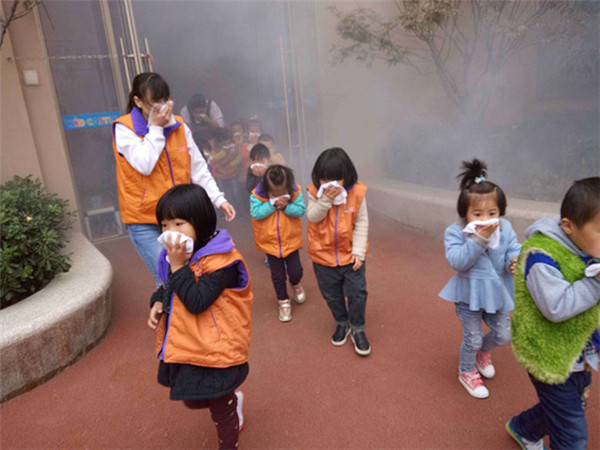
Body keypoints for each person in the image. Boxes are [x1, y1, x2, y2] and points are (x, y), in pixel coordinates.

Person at [148, 184, 252, 450]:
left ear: (201, 221)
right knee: (192, 399)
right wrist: (158, 301)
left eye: (178, 224)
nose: (170, 232)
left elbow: (196, 301)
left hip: (217, 347)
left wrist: (178, 266)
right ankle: (232, 399)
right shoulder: (177, 256)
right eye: (164, 225)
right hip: (190, 343)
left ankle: (229, 413)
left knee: (220, 409)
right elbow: (168, 286)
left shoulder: (222, 261)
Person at [112, 72, 235, 287]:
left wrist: (218, 199)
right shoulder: (124, 128)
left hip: (179, 216)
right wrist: (156, 128)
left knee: (188, 275)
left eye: (166, 101)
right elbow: (145, 163)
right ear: (138, 101)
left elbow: (198, 168)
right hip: (144, 220)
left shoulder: (179, 125)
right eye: (155, 103)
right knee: (168, 280)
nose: (163, 108)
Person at [506, 177, 600, 450]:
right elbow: (556, 307)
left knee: (569, 407)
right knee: (572, 434)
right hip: (547, 352)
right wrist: (596, 283)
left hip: (579, 353)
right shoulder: (542, 257)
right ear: (568, 226)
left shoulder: (588, 247)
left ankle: (523, 428)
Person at [439, 159, 521, 399]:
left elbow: (513, 248)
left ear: (500, 212)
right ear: (465, 214)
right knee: (472, 338)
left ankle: (482, 353)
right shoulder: (455, 232)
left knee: (504, 334)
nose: (485, 219)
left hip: (496, 294)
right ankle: (466, 371)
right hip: (468, 296)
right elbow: (457, 261)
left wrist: (515, 261)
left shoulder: (505, 228)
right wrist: (479, 240)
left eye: (492, 213)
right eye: (477, 214)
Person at [306, 147, 370, 356]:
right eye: (325, 179)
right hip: (322, 257)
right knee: (332, 295)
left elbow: (361, 223)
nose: (331, 185)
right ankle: (342, 322)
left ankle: (357, 328)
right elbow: (313, 216)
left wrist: (358, 252)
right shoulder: (313, 192)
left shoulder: (357, 193)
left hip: (351, 257)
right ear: (318, 177)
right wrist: (325, 200)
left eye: (336, 179)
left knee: (357, 293)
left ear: (347, 176)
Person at [250, 165, 306, 322]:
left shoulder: (295, 192)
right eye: (274, 194)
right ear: (266, 189)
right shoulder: (257, 195)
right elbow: (255, 213)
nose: (279, 196)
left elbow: (301, 210)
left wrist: (287, 207)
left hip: (291, 240)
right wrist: (271, 205)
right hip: (270, 243)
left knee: (296, 271)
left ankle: (295, 283)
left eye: (283, 193)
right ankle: (283, 300)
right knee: (277, 276)